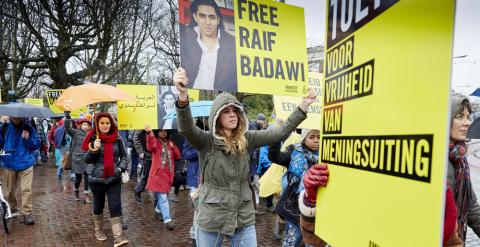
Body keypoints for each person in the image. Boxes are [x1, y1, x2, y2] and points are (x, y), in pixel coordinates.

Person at [173, 67, 316, 247]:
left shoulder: (248, 138)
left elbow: (278, 134)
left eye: (235, 110)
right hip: (211, 216)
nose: (232, 114)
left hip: (243, 214)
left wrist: (302, 107)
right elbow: (186, 128)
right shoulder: (206, 141)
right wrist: (183, 96)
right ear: (216, 116)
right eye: (226, 111)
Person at [82, 113, 129, 247]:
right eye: (102, 123)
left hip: (114, 178)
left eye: (107, 123)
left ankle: (118, 238)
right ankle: (98, 230)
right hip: (97, 180)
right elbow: (87, 160)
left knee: (115, 206)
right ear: (97, 124)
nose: (105, 126)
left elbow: (124, 156)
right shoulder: (92, 137)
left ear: (111, 124)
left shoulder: (117, 137)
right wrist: (94, 149)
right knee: (98, 206)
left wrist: (120, 168)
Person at [268, 129, 320, 247]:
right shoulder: (294, 152)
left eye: (318, 136)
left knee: (314, 243)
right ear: (303, 139)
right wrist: (276, 137)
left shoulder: (329, 155)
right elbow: (275, 157)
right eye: (311, 137)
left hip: (319, 208)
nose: (316, 140)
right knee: (291, 242)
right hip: (295, 207)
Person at [180, 0, 237, 92]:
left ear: (218, 19)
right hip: (188, 95)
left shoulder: (233, 44)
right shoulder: (185, 37)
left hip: (216, 97)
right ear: (195, 17)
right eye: (202, 16)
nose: (207, 22)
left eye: (212, 17)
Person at [446, 96, 480, 242]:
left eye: (468, 117)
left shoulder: (460, 159)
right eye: (459, 116)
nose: (467, 123)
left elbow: (471, 207)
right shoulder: (436, 160)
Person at [0, 117, 40, 224]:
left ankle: (27, 212)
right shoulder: (3, 128)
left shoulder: (29, 128)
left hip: (26, 161)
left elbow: (36, 144)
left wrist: (27, 139)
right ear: (10, 116)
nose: (16, 118)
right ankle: (12, 207)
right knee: (10, 189)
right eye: (13, 116)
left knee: (26, 188)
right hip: (9, 162)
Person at [145, 127, 181, 230]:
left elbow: (178, 156)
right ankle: (167, 220)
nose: (163, 132)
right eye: (161, 131)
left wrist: (173, 147)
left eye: (165, 131)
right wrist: (150, 134)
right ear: (157, 132)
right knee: (163, 197)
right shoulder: (155, 142)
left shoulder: (170, 143)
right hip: (158, 175)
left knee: (163, 196)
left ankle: (158, 210)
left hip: (168, 175)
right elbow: (150, 147)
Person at [65, 112, 92, 203]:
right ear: (80, 125)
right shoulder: (75, 133)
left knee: (87, 176)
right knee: (78, 177)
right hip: (77, 159)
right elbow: (68, 128)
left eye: (87, 125)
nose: (86, 126)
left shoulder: (91, 134)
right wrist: (68, 118)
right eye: (84, 124)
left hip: (87, 158)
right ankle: (76, 190)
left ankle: (86, 195)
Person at [133, 129, 153, 203]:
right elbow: (136, 137)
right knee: (146, 175)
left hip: (156, 153)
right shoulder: (142, 125)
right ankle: (138, 190)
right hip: (146, 154)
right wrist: (140, 152)